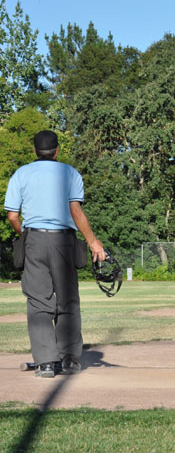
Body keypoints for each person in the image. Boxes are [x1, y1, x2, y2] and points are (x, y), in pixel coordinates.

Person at [4, 130, 105, 378]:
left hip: (35, 239)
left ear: (35, 151)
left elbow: (13, 216)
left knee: (38, 301)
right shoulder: (70, 173)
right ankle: (69, 361)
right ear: (57, 151)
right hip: (64, 240)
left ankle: (46, 363)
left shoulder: (21, 174)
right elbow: (75, 211)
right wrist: (93, 242)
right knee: (68, 300)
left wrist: (26, 235)